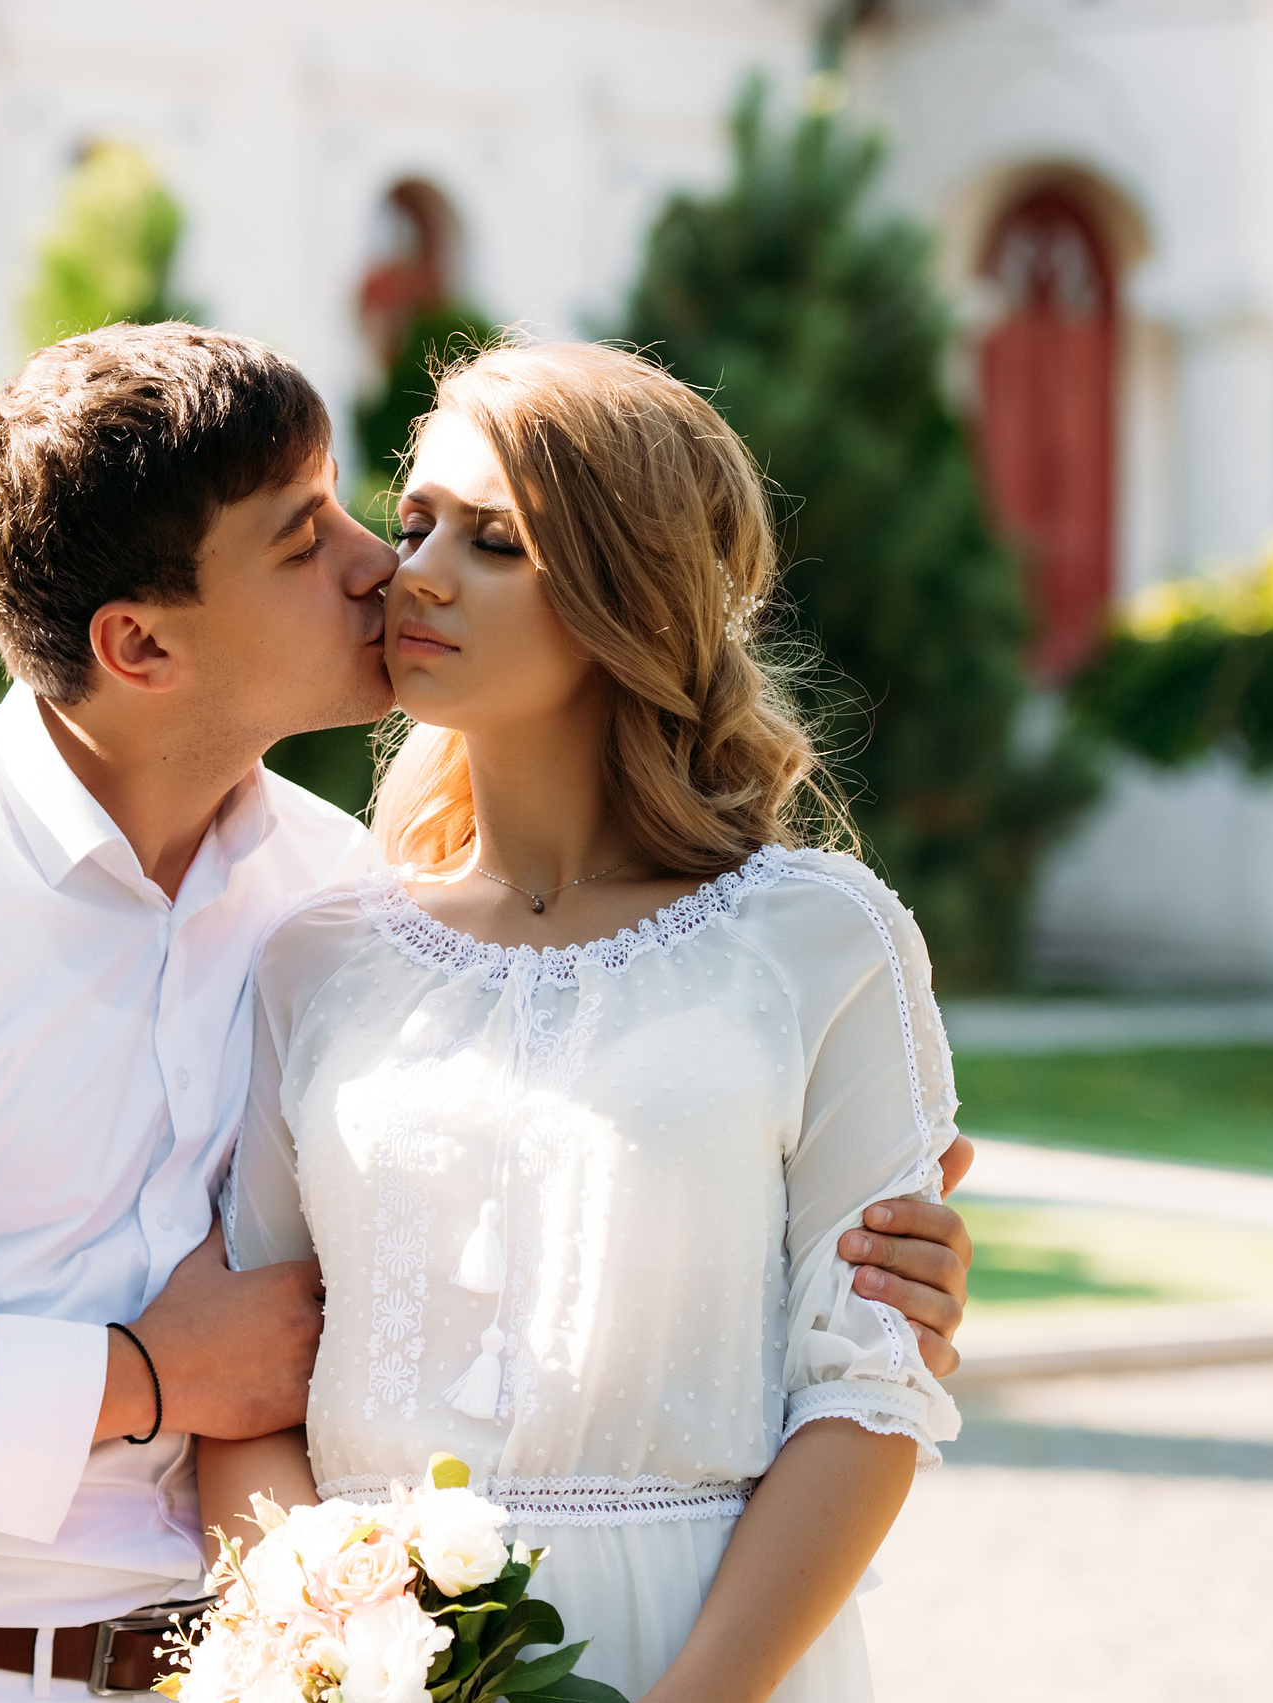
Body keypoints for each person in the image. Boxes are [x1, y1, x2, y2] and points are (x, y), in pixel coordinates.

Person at [0, 324, 976, 1703]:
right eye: (311, 537)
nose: (383, 568)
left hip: (275, 1662)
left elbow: (595, 1266)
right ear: (140, 641)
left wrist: (842, 1264)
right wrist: (140, 1379)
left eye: (371, 509)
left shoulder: (324, 887)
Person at [205, 343, 961, 1702]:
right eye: (419, 519)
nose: (413, 573)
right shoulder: (313, 960)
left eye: (495, 542)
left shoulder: (823, 942)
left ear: (626, 587)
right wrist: (302, 1655)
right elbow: (248, 1389)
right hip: (374, 1663)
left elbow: (870, 1388)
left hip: (716, 1653)